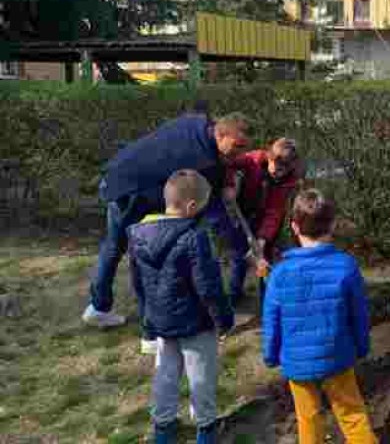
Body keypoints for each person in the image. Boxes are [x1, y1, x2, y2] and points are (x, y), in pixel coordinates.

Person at [82, 111, 249, 333]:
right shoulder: (203, 162)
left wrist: (226, 178)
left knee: (117, 247)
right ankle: (116, 315)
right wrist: (242, 250)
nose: (240, 153)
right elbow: (217, 215)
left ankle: (100, 308)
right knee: (125, 249)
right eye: (237, 146)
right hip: (130, 191)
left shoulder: (197, 122)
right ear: (220, 134)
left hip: (121, 172)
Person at [127, 170, 234, 444]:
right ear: (191, 207)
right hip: (195, 323)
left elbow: (137, 283)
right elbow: (208, 286)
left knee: (165, 373)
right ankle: (206, 426)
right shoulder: (194, 237)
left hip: (161, 321)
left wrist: (146, 319)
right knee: (201, 376)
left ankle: (163, 426)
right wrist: (223, 319)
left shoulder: (138, 235)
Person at [262, 189, 377, 444]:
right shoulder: (346, 266)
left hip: (297, 361)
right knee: (352, 413)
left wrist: (270, 354)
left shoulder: (280, 273)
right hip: (338, 356)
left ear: (294, 226)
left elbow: (271, 320)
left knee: (308, 417)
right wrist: (362, 346)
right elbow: (359, 314)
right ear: (333, 224)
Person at [225, 138, 303, 306]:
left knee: (263, 257)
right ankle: (233, 296)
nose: (278, 172)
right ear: (269, 156)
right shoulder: (252, 159)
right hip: (241, 214)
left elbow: (274, 211)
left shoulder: (288, 181)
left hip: (265, 219)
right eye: (276, 166)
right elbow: (228, 163)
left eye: (284, 169)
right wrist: (229, 185)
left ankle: (266, 299)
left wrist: (262, 239)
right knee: (239, 257)